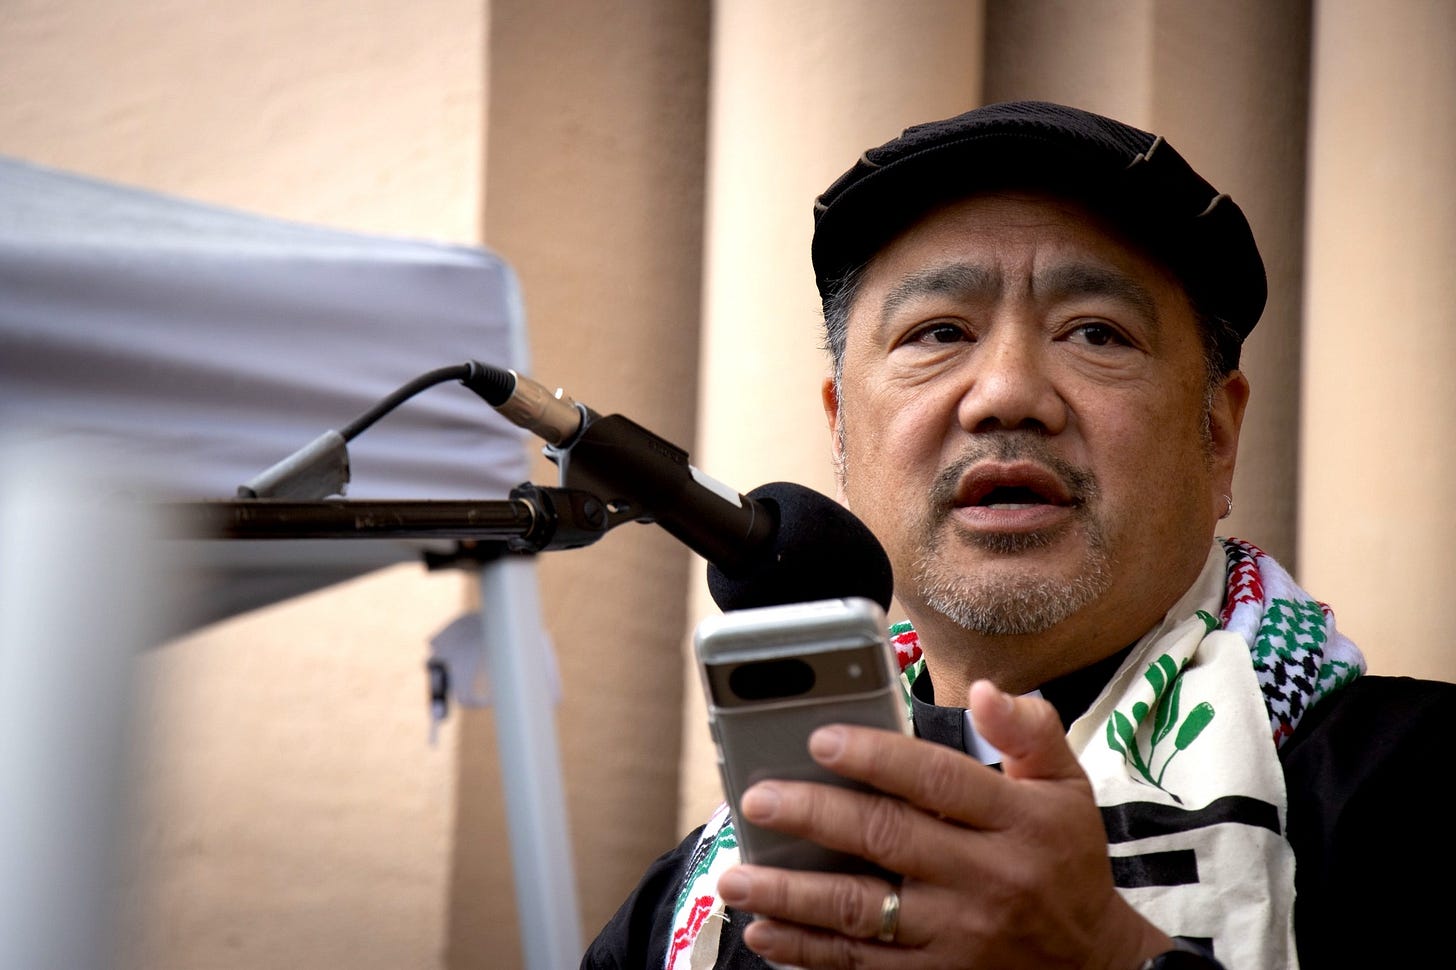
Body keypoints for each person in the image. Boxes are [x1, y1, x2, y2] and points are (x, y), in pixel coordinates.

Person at [580, 100, 1456, 970]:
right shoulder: (701, 908)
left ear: (1217, 439)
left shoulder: (1413, 790)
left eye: (1096, 333)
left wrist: (1106, 957)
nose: (1006, 392)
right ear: (842, 432)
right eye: (939, 332)